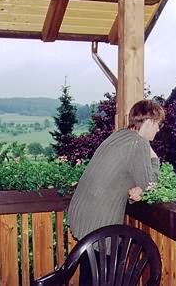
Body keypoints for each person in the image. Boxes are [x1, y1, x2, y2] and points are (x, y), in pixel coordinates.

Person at [67, 99, 165, 284]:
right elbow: (151, 185)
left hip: (82, 213)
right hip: (99, 221)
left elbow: (124, 175)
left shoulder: (120, 135)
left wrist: (138, 189)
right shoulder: (138, 144)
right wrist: (154, 159)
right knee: (102, 278)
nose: (159, 130)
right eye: (158, 124)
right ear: (150, 121)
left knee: (91, 275)